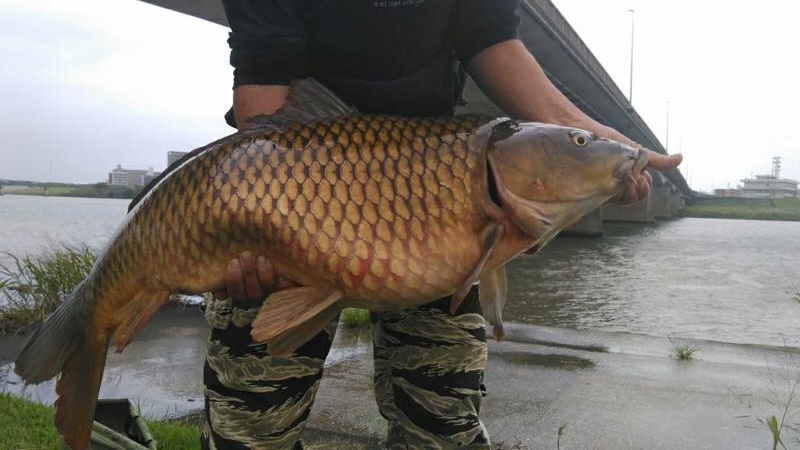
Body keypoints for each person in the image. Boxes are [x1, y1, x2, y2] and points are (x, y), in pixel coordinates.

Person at [201, 2, 683, 449]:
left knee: (443, 431)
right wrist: (264, 223)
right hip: (302, 177)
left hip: (435, 183)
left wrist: (599, 143)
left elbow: (488, 34)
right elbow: (265, 79)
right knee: (249, 432)